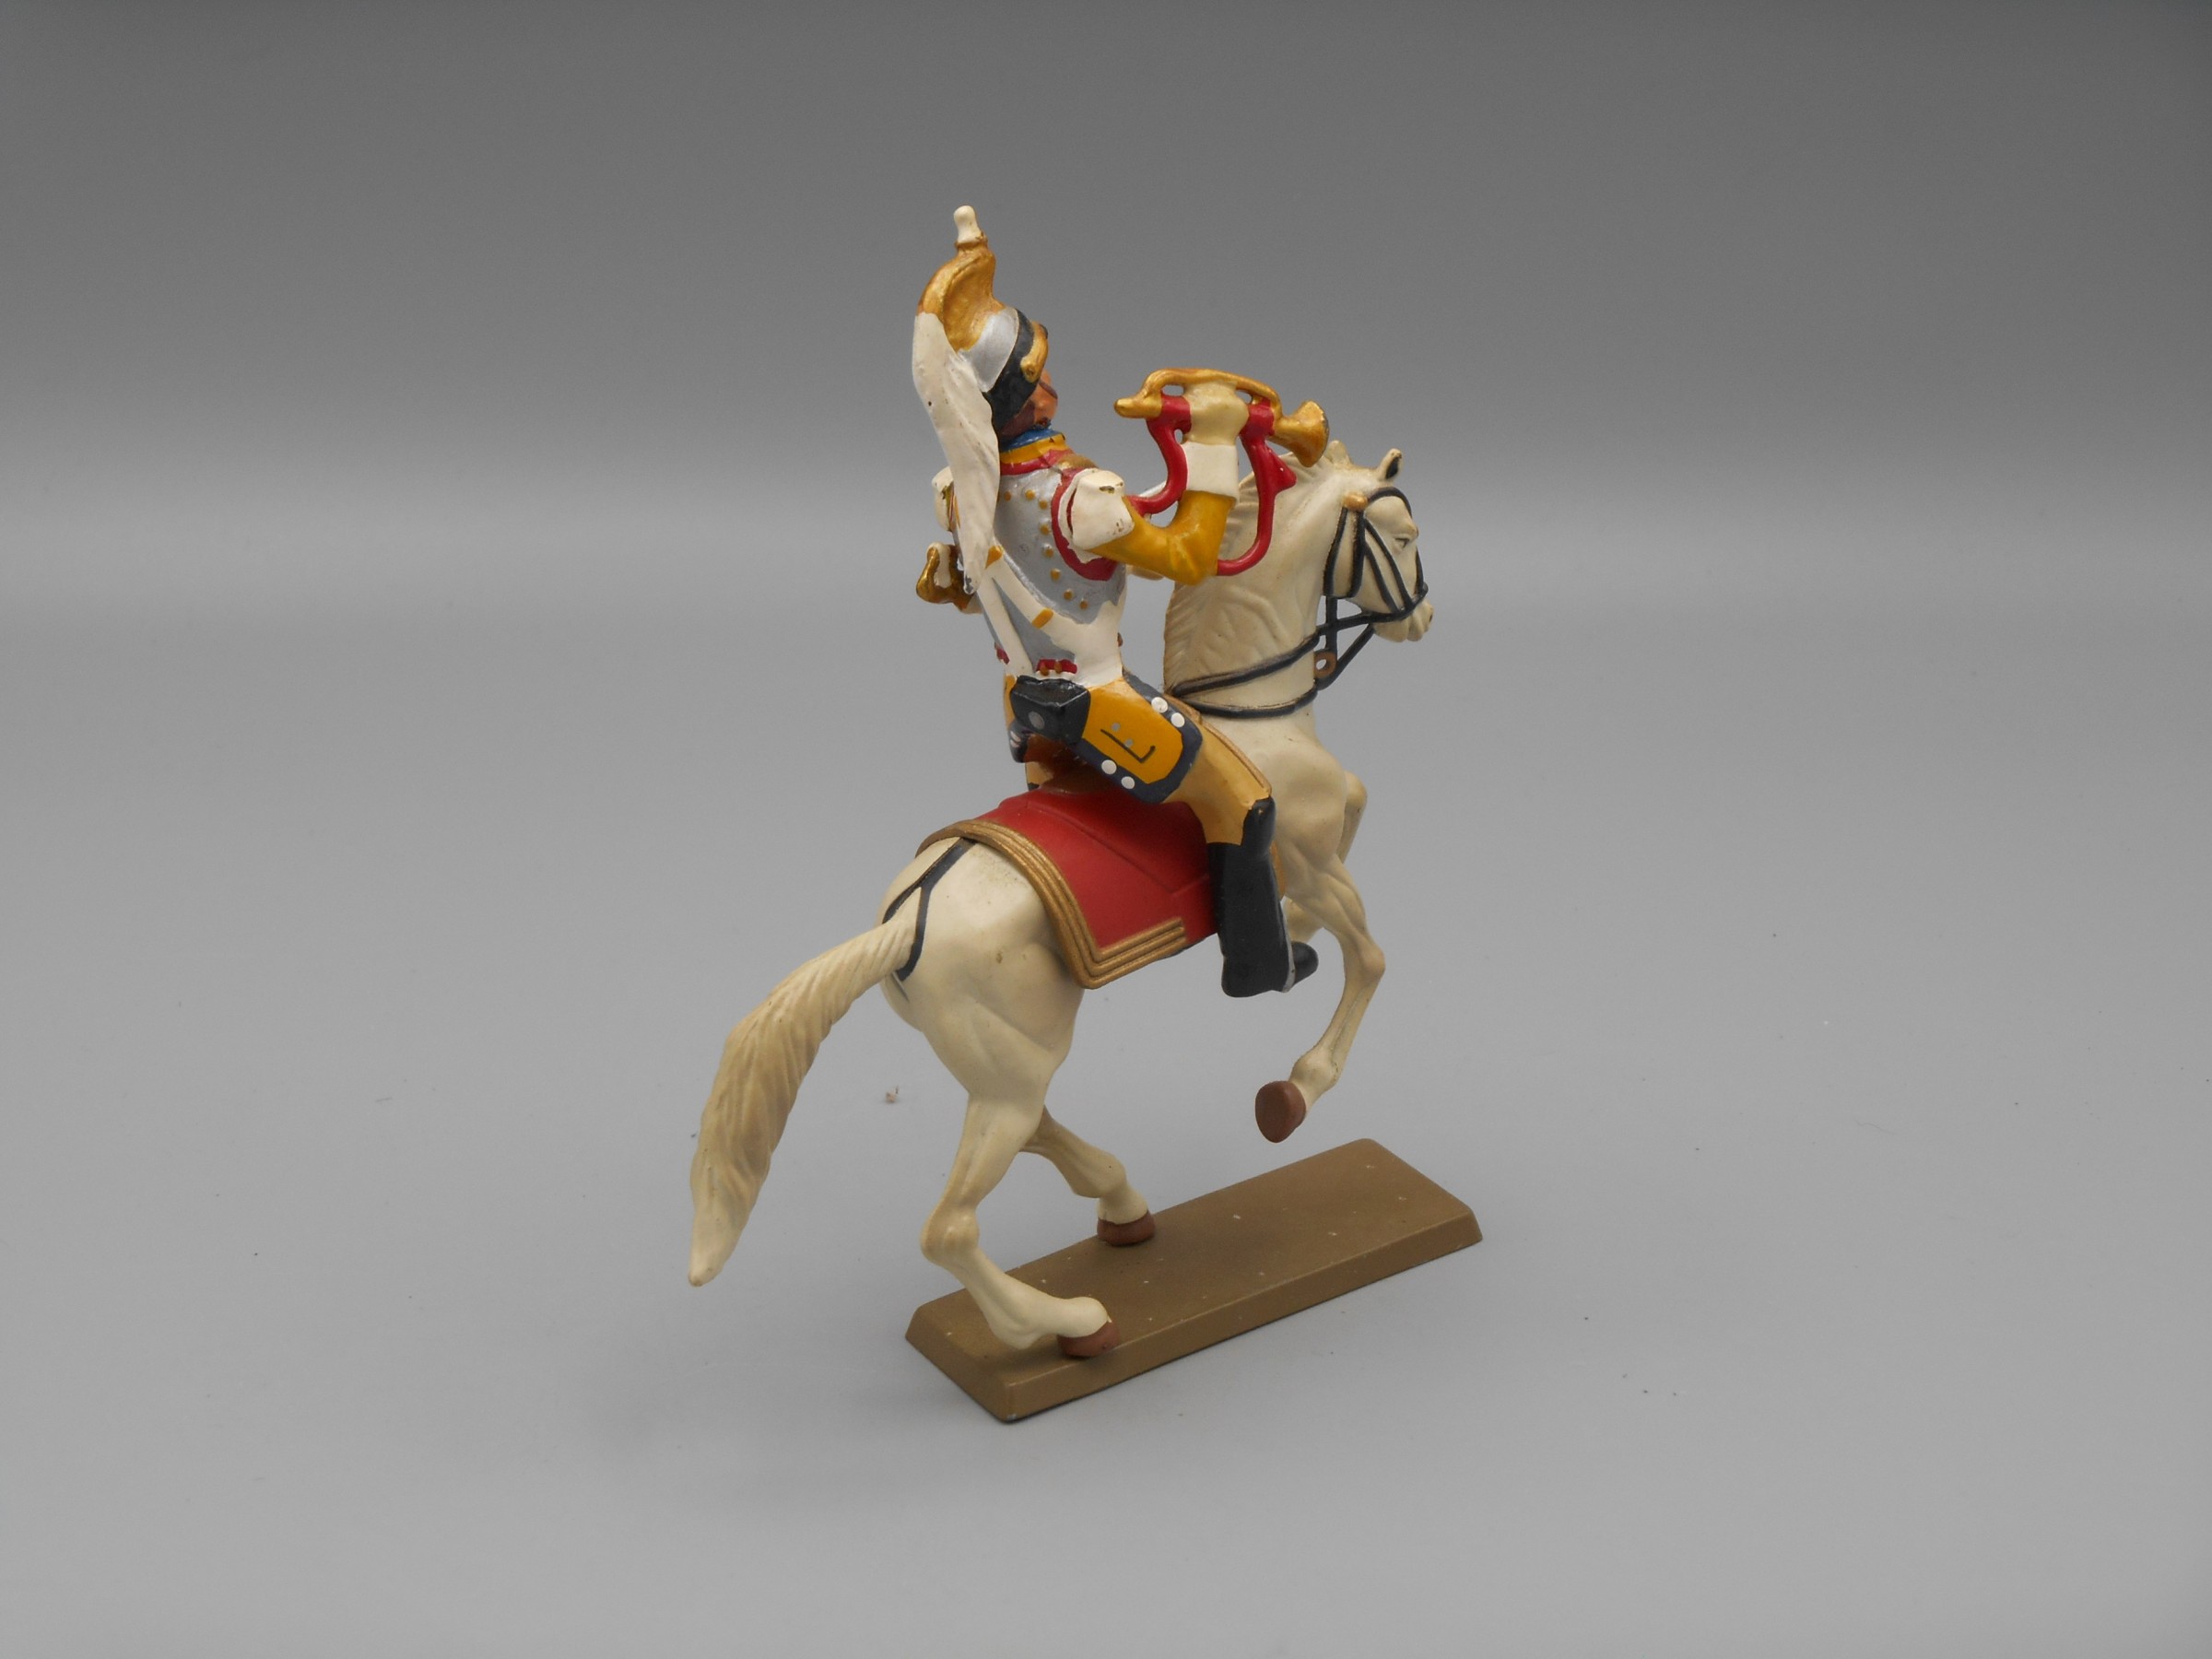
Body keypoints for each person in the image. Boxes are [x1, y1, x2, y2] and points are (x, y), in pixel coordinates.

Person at [911, 206, 1313, 997]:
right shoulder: (1083, 496)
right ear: (1024, 402)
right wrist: (1211, 444)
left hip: (1022, 709)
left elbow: (970, 590)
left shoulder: (957, 491)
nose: (1051, 384)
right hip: (1098, 704)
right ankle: (1257, 963)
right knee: (1248, 802)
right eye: (1038, 376)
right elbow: (1190, 559)